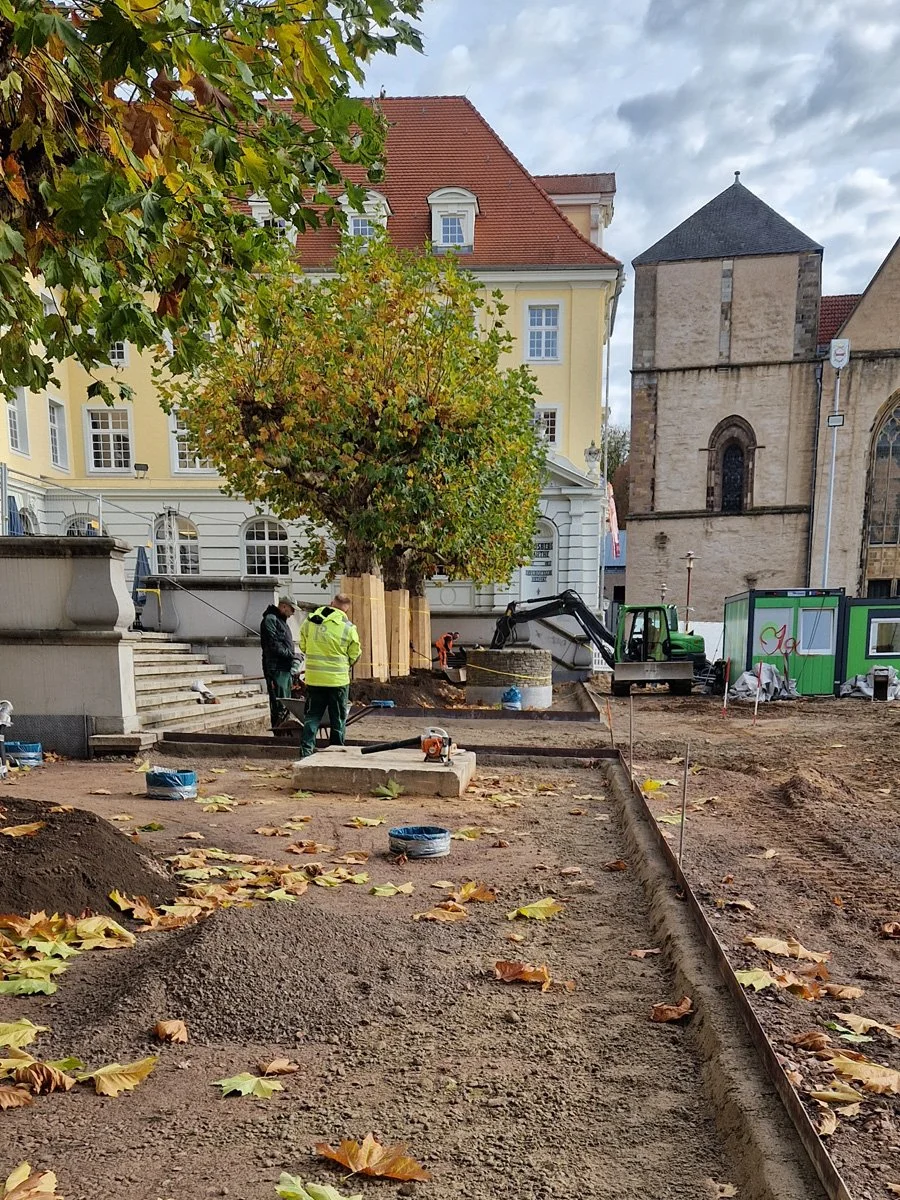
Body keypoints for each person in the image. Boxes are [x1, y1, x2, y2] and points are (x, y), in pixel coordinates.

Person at [299, 593, 361, 757]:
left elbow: (303, 645)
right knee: (338, 719)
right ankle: (336, 753)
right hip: (337, 681)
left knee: (312, 716)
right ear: (347, 608)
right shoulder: (348, 627)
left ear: (331, 603)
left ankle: (306, 751)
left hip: (314, 679)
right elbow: (355, 654)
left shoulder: (310, 621)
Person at [260, 595, 298, 732]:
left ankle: (283, 730)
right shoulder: (271, 619)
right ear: (283, 606)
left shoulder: (281, 621)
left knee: (285, 703)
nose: (293, 613)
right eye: (291, 610)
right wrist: (291, 655)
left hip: (284, 668)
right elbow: (273, 645)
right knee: (279, 703)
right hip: (275, 668)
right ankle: (279, 733)